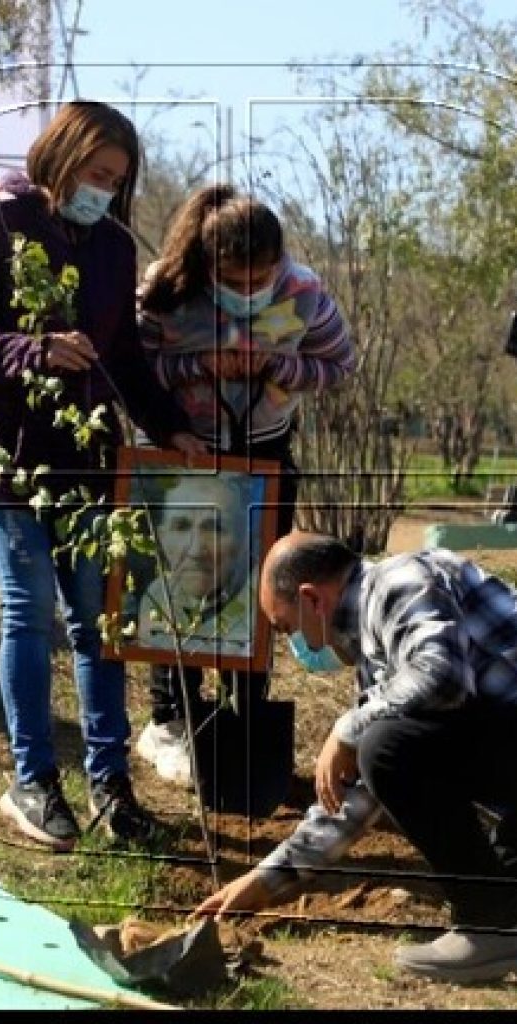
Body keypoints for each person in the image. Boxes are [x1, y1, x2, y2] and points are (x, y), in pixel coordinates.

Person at [194, 532, 517, 988]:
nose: (300, 646)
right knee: (496, 890)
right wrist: (267, 879)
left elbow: (440, 680)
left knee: (383, 743)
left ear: (312, 599)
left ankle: (491, 931)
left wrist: (346, 728)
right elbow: (359, 792)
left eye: (287, 628)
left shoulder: (398, 580)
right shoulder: (380, 661)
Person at [0, 101, 207, 848]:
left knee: (99, 622)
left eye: (116, 180)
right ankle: (34, 782)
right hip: (4, 455)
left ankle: (113, 790)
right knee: (30, 610)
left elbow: (123, 359)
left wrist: (168, 427)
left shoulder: (114, 246)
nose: (104, 190)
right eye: (95, 174)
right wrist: (37, 349)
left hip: (87, 460)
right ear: (59, 157)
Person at [135, 185, 356, 788]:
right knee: (182, 579)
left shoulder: (304, 293)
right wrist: (199, 365)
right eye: (237, 275)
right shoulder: (165, 291)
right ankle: (171, 716)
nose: (252, 286)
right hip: (185, 452)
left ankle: (246, 710)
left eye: (263, 273)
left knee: (258, 585)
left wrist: (278, 365)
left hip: (264, 455)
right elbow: (136, 366)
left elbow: (339, 363)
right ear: (207, 265)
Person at [136, 473, 255, 656]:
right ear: (161, 537)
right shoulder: (156, 597)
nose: (196, 551)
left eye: (215, 528)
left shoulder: (258, 605)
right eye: (181, 527)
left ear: (242, 540)